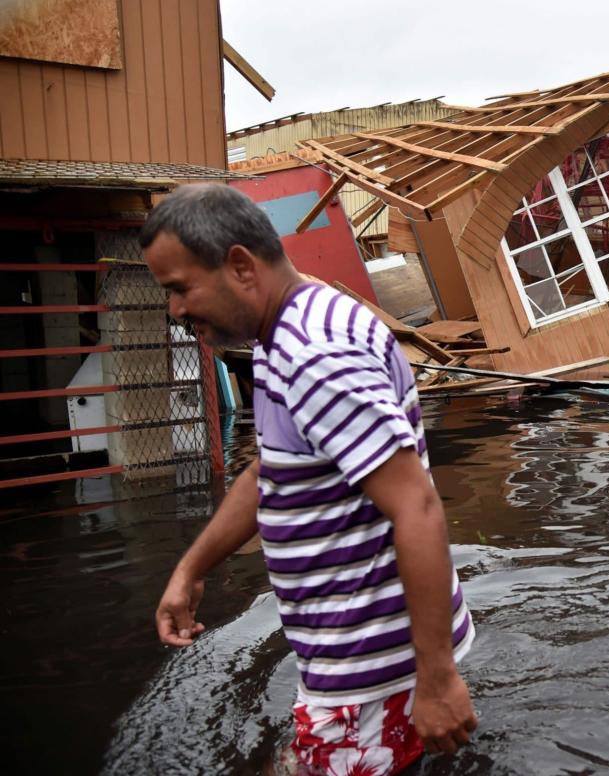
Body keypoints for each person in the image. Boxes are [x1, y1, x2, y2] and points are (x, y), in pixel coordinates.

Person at [146, 183, 476, 775]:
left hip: (369, 666)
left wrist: (438, 679)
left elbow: (417, 508)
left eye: (180, 288)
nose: (176, 310)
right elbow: (271, 467)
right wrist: (190, 569)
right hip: (365, 650)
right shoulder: (287, 330)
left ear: (240, 266)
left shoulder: (314, 358)